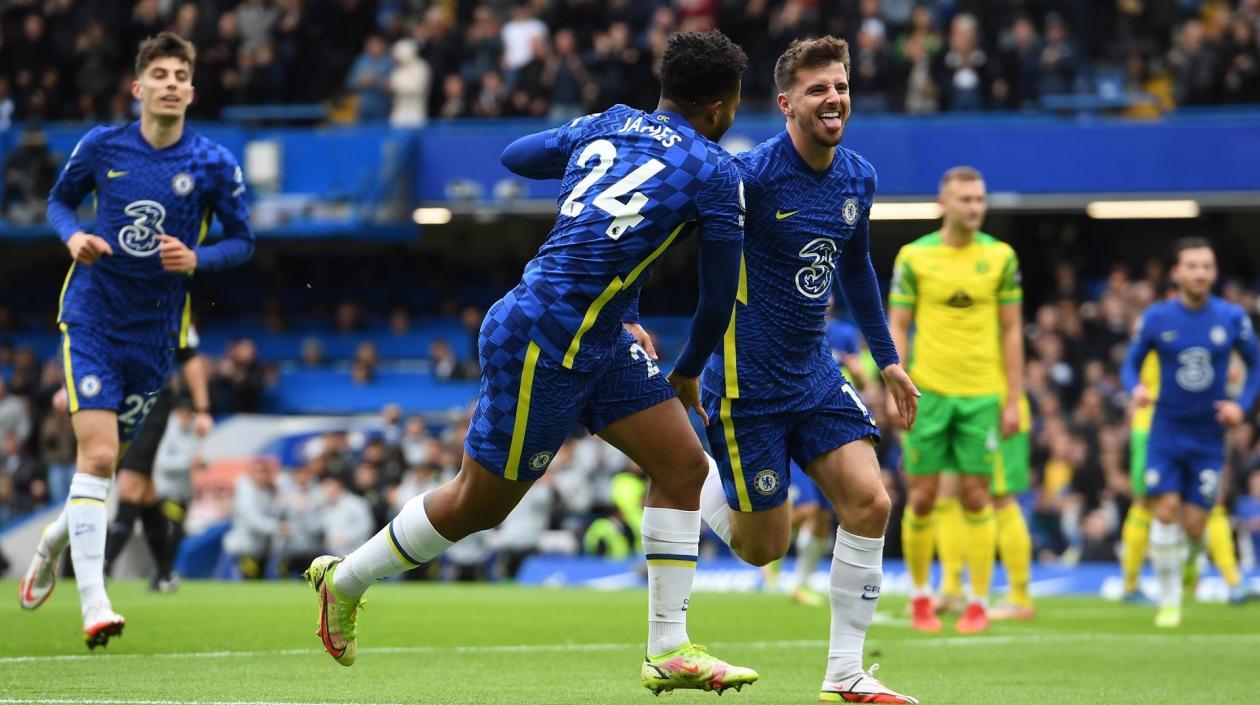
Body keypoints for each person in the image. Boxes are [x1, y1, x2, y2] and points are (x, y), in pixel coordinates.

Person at [303, 31, 758, 695]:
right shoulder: (715, 170)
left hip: (594, 333)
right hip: (547, 340)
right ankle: (345, 578)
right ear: (721, 108)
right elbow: (716, 298)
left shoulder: (611, 122)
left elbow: (518, 155)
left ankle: (669, 648)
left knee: (683, 467)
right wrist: (688, 370)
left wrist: (583, 154)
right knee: (478, 506)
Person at [695, 36, 920, 704]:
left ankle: (845, 673)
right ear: (787, 102)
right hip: (746, 383)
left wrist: (889, 361)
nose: (835, 98)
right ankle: (693, 473)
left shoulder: (857, 176)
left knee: (871, 501)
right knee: (763, 547)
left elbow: (854, 268)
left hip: (813, 371)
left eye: (842, 86)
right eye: (820, 88)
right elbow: (689, 252)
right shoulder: (750, 178)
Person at [17, 32, 254, 649]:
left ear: (192, 91)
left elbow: (243, 241)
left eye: (182, 75)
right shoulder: (102, 146)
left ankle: (49, 543)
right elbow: (60, 201)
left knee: (102, 470)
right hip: (93, 312)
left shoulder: (212, 163)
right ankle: (95, 603)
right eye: (162, 74)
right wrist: (72, 237)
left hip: (155, 336)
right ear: (139, 87)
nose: (172, 83)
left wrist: (197, 258)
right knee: (97, 460)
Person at [888, 166, 1027, 634]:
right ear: (943, 204)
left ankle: (978, 602)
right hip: (928, 394)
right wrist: (896, 382)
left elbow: (1012, 330)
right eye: (965, 199)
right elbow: (899, 325)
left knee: (976, 495)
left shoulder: (1002, 257)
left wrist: (1013, 399)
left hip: (983, 396)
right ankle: (922, 597)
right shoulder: (914, 257)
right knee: (923, 498)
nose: (975, 207)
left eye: (980, 199)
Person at [1120, 238, 1259, 627]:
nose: (1200, 273)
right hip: (1165, 430)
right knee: (1163, 512)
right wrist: (1136, 388)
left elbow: (1255, 364)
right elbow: (1131, 365)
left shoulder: (1231, 318)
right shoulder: (1157, 318)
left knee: (1197, 523)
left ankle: (1191, 564)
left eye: (1207, 266)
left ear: (1214, 273)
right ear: (1176, 273)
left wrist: (1240, 406)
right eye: (1193, 266)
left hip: (1208, 436)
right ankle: (1169, 601)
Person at [103, 324, 212, 591]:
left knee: (129, 488)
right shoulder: (120, 302)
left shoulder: (174, 306)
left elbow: (190, 357)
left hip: (151, 402)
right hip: (117, 398)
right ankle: (164, 573)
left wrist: (202, 408)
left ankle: (100, 568)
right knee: (146, 495)